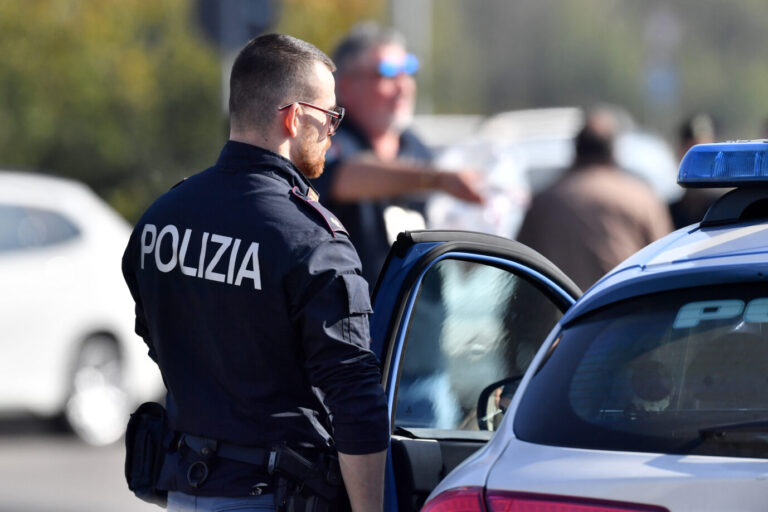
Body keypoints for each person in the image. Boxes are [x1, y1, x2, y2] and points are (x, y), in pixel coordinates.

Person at [122, 34, 388, 512]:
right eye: (329, 117)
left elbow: (160, 340)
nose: (332, 131)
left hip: (186, 488)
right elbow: (355, 395)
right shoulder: (313, 240)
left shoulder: (161, 218)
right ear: (293, 117)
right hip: (273, 496)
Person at [312, 22, 484, 286]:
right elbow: (344, 176)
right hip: (358, 317)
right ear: (346, 86)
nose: (403, 87)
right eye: (388, 74)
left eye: (408, 71)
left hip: (418, 317)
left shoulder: (414, 145)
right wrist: (435, 180)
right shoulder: (329, 138)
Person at [516, 108, 673, 290]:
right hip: (624, 309)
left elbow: (521, 270)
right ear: (613, 152)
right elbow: (665, 264)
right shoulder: (642, 199)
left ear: (576, 151)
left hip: (561, 313)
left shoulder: (545, 202)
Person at [668, 113, 725, 229]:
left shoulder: (728, 208)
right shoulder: (669, 213)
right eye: (691, 152)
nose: (698, 161)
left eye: (705, 153)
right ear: (680, 152)